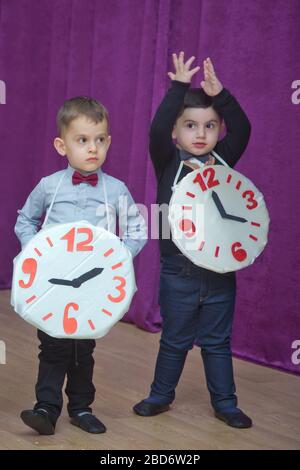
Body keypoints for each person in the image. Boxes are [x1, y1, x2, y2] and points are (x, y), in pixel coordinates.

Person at [133, 52, 252, 428]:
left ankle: (226, 403)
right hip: (178, 272)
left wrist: (222, 96)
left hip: (219, 272)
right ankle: (160, 395)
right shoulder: (167, 159)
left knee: (217, 342)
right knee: (175, 339)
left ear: (218, 131)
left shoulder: (223, 161)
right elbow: (155, 130)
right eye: (190, 125)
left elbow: (244, 129)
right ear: (175, 131)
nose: (200, 134)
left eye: (210, 126)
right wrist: (179, 88)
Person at [15, 96, 147, 435]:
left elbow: (137, 229)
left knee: (82, 348)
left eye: (100, 140)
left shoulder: (116, 190)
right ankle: (46, 407)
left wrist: (118, 258)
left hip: (93, 285)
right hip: (52, 284)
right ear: (62, 145)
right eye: (83, 140)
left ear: (109, 142)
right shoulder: (49, 186)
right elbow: (24, 221)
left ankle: (81, 407)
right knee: (53, 345)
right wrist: (38, 252)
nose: (93, 148)